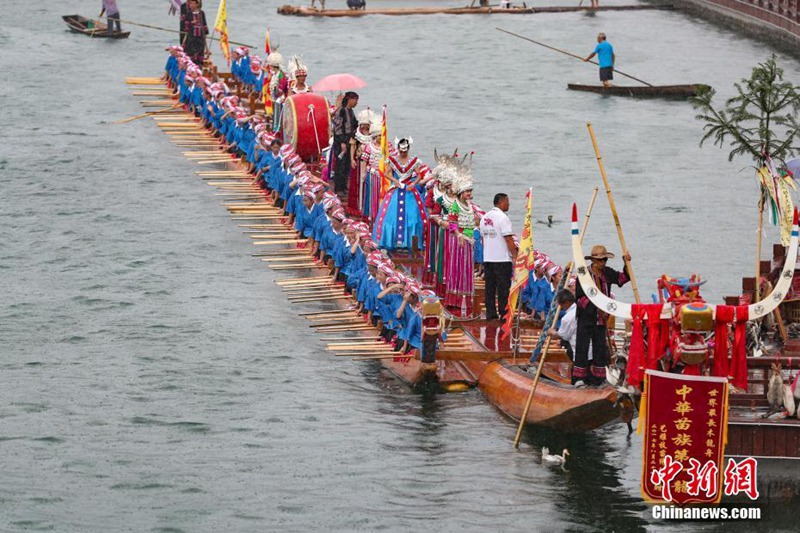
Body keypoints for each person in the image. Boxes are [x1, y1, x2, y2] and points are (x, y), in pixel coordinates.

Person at [574, 244, 630, 387]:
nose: (602, 263)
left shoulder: (607, 272)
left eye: (604, 260)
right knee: (582, 347)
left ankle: (599, 379)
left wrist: (626, 264)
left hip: (601, 319)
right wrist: (596, 305)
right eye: (600, 260)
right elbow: (579, 298)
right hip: (586, 317)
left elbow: (622, 279)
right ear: (593, 260)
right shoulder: (583, 274)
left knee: (601, 348)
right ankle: (578, 380)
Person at [479, 193, 517, 321]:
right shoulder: (503, 218)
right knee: (503, 288)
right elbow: (509, 239)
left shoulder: (484, 218)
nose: (509, 204)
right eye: (507, 202)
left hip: (488, 258)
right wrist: (515, 256)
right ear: (501, 202)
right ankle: (504, 314)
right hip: (502, 258)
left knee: (489, 287)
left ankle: (491, 313)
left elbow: (483, 238)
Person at [331, 92, 359, 193]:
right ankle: (338, 188)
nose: (356, 102)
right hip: (341, 141)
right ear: (349, 99)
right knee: (340, 165)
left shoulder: (350, 111)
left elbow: (354, 124)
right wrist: (342, 142)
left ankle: (344, 186)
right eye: (355, 100)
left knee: (347, 164)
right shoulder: (341, 110)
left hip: (349, 139)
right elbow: (337, 128)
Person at [181, 0, 208, 67]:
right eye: (190, 4)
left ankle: (199, 70)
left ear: (197, 4)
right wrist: (191, 23)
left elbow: (204, 24)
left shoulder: (202, 13)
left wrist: (205, 33)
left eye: (193, 4)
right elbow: (185, 25)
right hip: (191, 36)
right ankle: (190, 70)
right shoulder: (188, 13)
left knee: (200, 53)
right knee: (190, 53)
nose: (191, 5)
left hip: (200, 37)